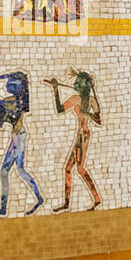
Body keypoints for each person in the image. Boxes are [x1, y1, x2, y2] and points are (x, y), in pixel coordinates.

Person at [0, 72, 44, 218]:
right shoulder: (13, 100)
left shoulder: (17, 103)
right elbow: (2, 109)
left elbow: (3, 104)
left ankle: (39, 198)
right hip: (16, 137)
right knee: (4, 171)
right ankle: (3, 207)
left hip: (19, 137)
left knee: (20, 170)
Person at [45, 69, 102, 212]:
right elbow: (59, 109)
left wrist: (88, 113)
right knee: (68, 169)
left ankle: (97, 199)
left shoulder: (90, 101)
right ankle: (67, 203)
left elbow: (99, 120)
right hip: (80, 135)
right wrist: (56, 89)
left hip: (84, 136)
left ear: (84, 85)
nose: (76, 83)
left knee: (80, 169)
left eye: (78, 82)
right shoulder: (76, 99)